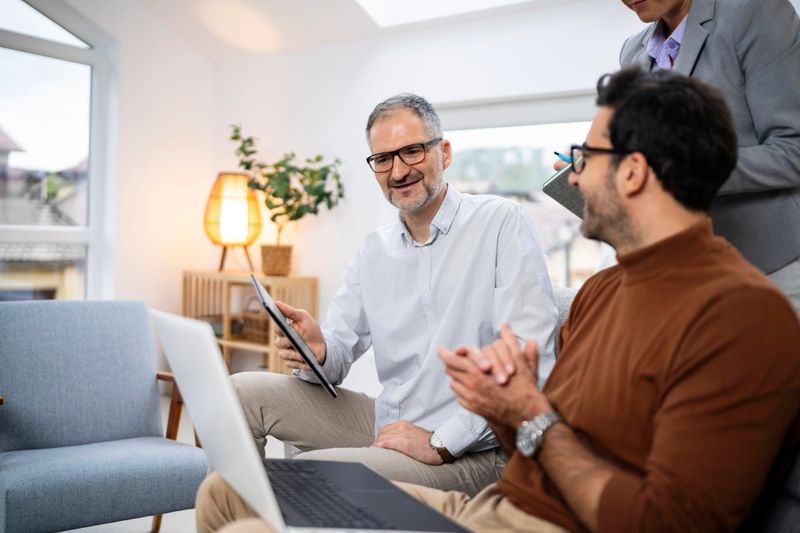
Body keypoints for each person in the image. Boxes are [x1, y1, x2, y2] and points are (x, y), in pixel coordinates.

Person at [195, 69, 800, 532]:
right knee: (222, 491)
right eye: (384, 159)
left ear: (635, 173)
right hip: (492, 502)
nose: (572, 178)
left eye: (584, 159)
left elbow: (666, 516)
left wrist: (513, 414)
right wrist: (515, 413)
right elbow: (541, 428)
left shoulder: (742, 316)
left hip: (508, 506)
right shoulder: (605, 292)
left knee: (262, 512)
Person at [218, 93, 558, 503]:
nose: (398, 171)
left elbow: (528, 363)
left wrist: (441, 441)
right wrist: (319, 351)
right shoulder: (373, 250)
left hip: (475, 448)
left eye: (412, 151)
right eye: (383, 159)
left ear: (444, 152)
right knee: (237, 392)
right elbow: (337, 355)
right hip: (390, 422)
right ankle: (240, 519)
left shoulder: (500, 223)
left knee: (313, 478)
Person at [618, 0, 800, 314]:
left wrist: (687, 171)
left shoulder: (756, 12)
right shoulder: (632, 53)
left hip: (772, 270)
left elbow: (793, 149)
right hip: (686, 277)